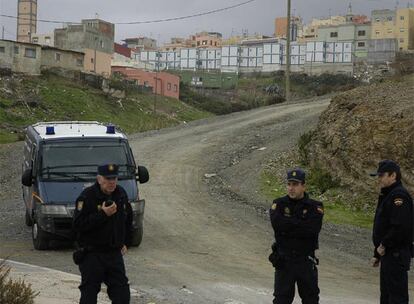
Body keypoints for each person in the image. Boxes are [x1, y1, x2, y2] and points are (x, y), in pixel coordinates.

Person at [72, 164, 133, 304]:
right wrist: (102, 214)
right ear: (99, 179)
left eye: (114, 178)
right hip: (92, 254)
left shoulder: (120, 194)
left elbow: (128, 220)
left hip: (114, 254)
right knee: (89, 294)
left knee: (122, 294)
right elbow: (78, 225)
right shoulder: (87, 197)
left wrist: (125, 242)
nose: (112, 182)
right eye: (108, 178)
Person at [269, 168, 324, 304]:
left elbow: (312, 230)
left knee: (310, 299)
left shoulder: (314, 207)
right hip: (284, 261)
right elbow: (278, 225)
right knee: (281, 299)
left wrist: (289, 225)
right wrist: (300, 223)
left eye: (295, 184)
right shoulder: (279, 204)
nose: (291, 188)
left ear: (303, 186)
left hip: (305, 261)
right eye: (289, 184)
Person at [370, 159, 413, 304]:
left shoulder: (398, 196)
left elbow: (400, 227)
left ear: (393, 175)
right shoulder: (388, 194)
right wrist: (377, 254)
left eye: (382, 175)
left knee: (396, 298)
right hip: (388, 254)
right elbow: (384, 227)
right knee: (387, 297)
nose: (379, 179)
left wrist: (384, 244)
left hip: (396, 254)